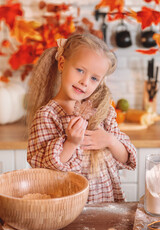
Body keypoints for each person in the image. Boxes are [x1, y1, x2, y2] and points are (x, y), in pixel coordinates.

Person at [27, 32, 136, 204]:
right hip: (68, 206)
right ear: (62, 63)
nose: (85, 82)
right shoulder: (47, 115)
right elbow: (42, 169)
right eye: (80, 70)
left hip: (106, 204)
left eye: (94, 78)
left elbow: (127, 158)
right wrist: (71, 143)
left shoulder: (102, 111)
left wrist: (110, 141)